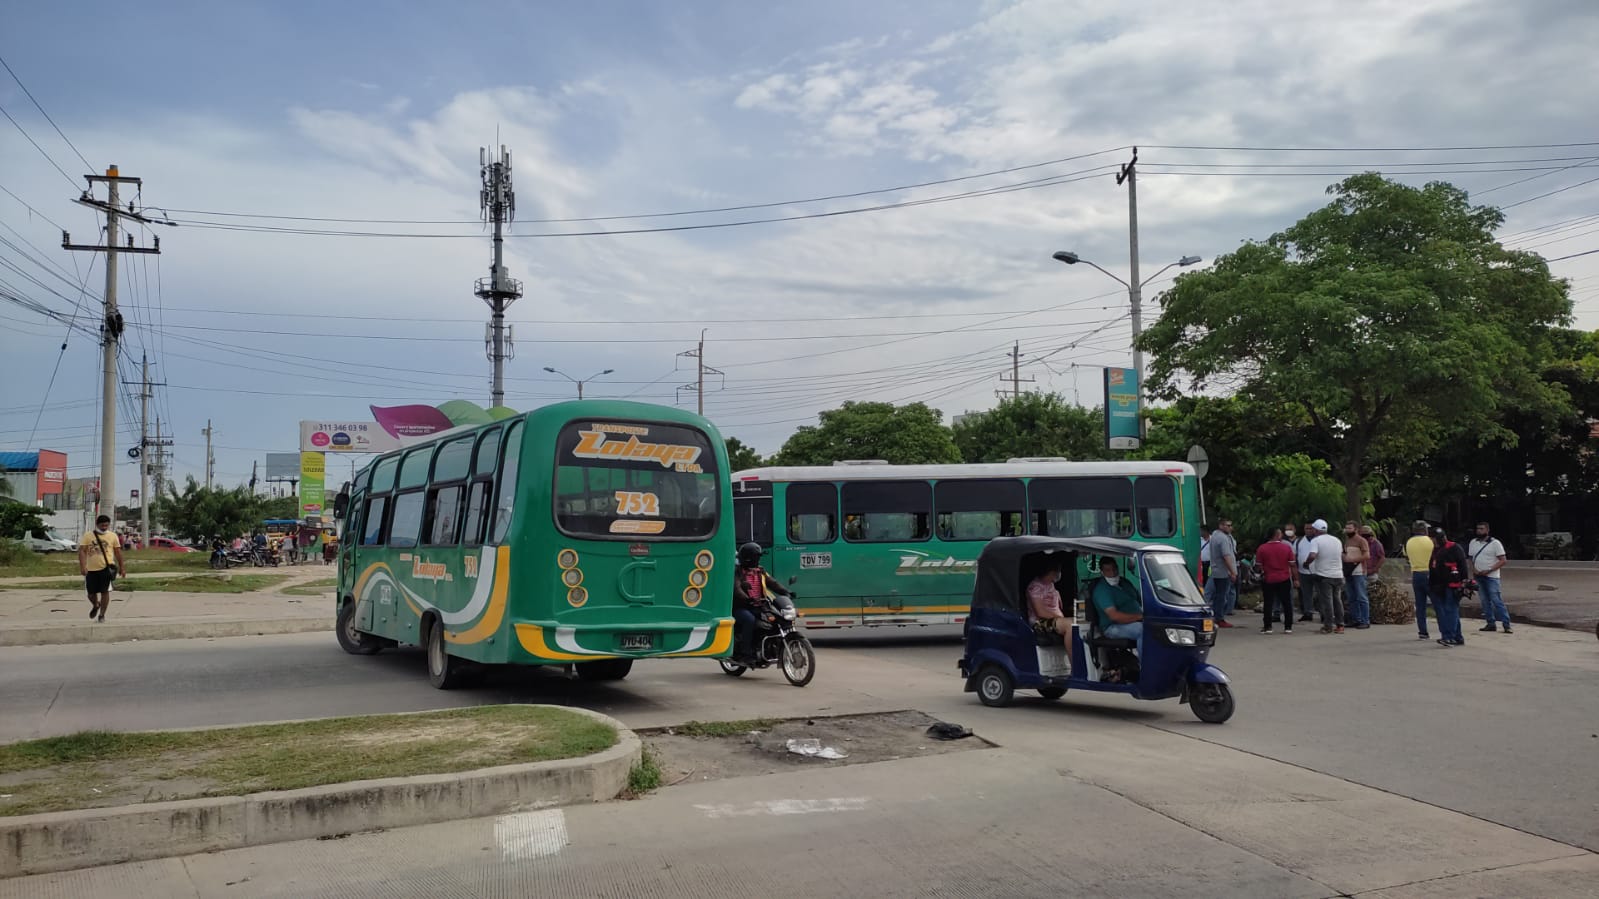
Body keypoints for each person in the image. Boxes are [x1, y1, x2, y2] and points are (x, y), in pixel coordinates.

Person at [732, 542, 789, 663]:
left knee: (776, 618)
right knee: (749, 620)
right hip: (742, 607)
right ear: (749, 558)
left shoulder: (760, 571)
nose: (758, 559)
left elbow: (772, 582)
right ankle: (745, 653)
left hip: (760, 605)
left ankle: (770, 647)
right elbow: (737, 589)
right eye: (756, 557)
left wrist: (785, 591)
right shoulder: (737, 571)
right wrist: (747, 599)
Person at [1090, 556, 1143, 662]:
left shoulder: (1124, 582)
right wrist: (1139, 617)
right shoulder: (1102, 590)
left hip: (1136, 620)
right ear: (1102, 572)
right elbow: (1114, 616)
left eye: (1114, 569)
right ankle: (1147, 668)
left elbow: (1139, 599)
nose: (1113, 573)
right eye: (1108, 570)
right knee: (1142, 630)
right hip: (1112, 627)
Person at [1025, 557, 1072, 664]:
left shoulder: (1050, 585)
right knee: (1070, 625)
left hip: (1055, 619)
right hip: (1039, 622)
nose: (1057, 575)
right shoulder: (1035, 587)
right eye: (1056, 572)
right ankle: (1075, 668)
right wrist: (1061, 618)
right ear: (1050, 572)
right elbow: (1040, 612)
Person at [78, 514, 124, 623]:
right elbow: (82, 551)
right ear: (97, 524)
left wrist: (122, 567)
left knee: (105, 592)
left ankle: (102, 615)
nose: (104, 527)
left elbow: (118, 552)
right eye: (102, 525)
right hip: (91, 570)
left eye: (106, 525)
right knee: (91, 593)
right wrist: (83, 566)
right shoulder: (88, 536)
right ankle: (95, 604)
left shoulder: (112, 536)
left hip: (106, 569)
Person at [1429, 527, 1470, 646]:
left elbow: (1463, 567)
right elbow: (1433, 567)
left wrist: (1464, 583)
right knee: (1451, 611)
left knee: (1450, 610)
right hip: (1440, 585)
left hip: (1454, 584)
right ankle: (1457, 637)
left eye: (1434, 539)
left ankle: (1449, 637)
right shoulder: (1436, 550)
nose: (1433, 541)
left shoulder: (1454, 548)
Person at [1468, 521, 1512, 633]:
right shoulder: (1473, 542)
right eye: (1478, 528)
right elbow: (1471, 559)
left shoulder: (1495, 543)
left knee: (1496, 600)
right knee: (1484, 601)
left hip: (1492, 576)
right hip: (1478, 575)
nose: (1479, 531)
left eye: (1482, 529)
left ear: (1487, 530)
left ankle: (1506, 624)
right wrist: (1474, 570)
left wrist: (1490, 570)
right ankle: (1490, 623)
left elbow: (1503, 560)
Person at [1304, 519, 1345, 634]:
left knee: (1327, 601)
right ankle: (1340, 625)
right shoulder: (1336, 540)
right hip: (1338, 574)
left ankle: (1328, 626)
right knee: (1338, 600)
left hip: (1324, 575)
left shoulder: (1316, 541)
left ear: (1316, 530)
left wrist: (1306, 563)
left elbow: (1312, 555)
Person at [1255, 527, 1296, 634]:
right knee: (1287, 603)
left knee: (1268, 603)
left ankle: (1268, 627)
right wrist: (1296, 578)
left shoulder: (1262, 548)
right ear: (1277, 535)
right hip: (1284, 578)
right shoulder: (1286, 548)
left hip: (1269, 578)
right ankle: (1288, 627)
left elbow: (1258, 566)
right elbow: (1292, 564)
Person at [1404, 521, 1435, 639]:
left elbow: (1407, 557)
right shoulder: (1430, 541)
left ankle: (1423, 632)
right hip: (1429, 573)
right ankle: (1445, 630)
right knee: (1437, 602)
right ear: (1424, 530)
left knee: (1420, 604)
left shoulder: (1409, 542)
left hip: (1416, 574)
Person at [1205, 519, 1238, 628]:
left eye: (1230, 525)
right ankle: (1219, 618)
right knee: (1222, 595)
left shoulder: (1215, 536)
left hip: (1217, 571)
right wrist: (1232, 571)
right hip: (1223, 572)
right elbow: (1226, 556)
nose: (1230, 528)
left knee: (1217, 594)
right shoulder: (1222, 538)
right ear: (1221, 526)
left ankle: (1216, 616)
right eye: (1228, 525)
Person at [1341, 523, 1372, 629]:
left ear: (1356, 529)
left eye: (1350, 528)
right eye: (1346, 528)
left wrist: (1353, 560)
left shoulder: (1361, 541)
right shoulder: (1347, 541)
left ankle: (1365, 620)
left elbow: (1366, 555)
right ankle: (1355, 619)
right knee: (1351, 597)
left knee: (1361, 596)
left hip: (1359, 571)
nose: (1348, 530)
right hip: (1349, 571)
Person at [1291, 522, 1318, 624]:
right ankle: (1308, 612)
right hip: (1303, 571)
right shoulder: (1299, 541)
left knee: (1321, 594)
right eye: (1306, 528)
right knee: (1306, 594)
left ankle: (1324, 613)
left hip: (1318, 571)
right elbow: (1294, 555)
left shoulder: (1318, 540)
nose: (1309, 530)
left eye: (1311, 528)